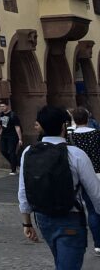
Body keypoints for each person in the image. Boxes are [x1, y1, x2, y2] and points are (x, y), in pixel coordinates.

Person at [19, 105, 100, 269]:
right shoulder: (76, 154)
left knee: (62, 262)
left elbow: (23, 191)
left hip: (43, 219)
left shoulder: (28, 152)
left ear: (39, 126)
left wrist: (27, 223)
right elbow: (96, 194)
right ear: (64, 126)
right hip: (70, 219)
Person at [67, 106, 100, 256]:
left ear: (74, 119)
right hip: (98, 174)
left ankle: (98, 243)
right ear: (88, 118)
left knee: (92, 210)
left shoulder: (70, 136)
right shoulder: (97, 134)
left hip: (80, 176)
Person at [0, 100, 23, 175]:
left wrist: (20, 139)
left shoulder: (13, 115)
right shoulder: (0, 115)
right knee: (3, 150)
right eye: (0, 106)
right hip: (4, 135)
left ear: (7, 106)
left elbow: (17, 127)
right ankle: (16, 163)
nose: (2, 108)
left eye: (3, 106)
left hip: (13, 135)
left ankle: (13, 170)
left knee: (11, 151)